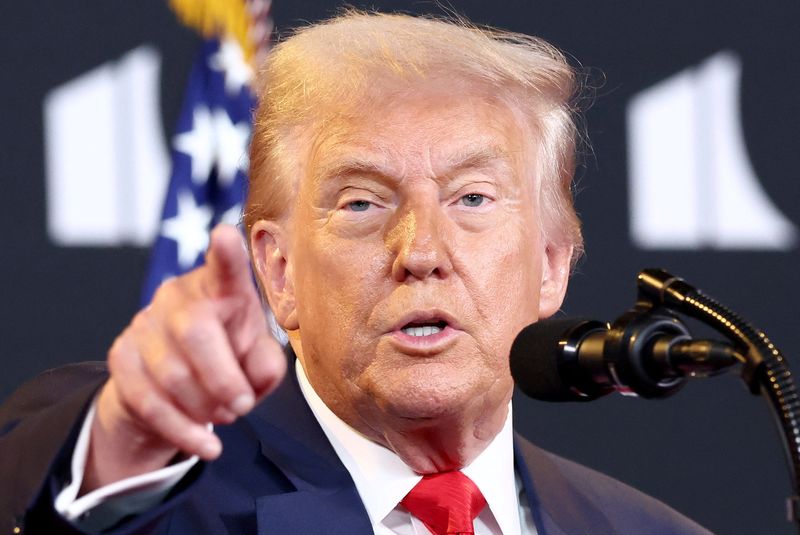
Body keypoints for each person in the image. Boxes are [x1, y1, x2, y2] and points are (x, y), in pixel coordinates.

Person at [0, 11, 711, 535]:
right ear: (279, 270)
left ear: (551, 264)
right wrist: (120, 438)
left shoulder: (647, 529)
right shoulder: (171, 498)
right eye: (363, 203)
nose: (421, 251)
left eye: (472, 198)